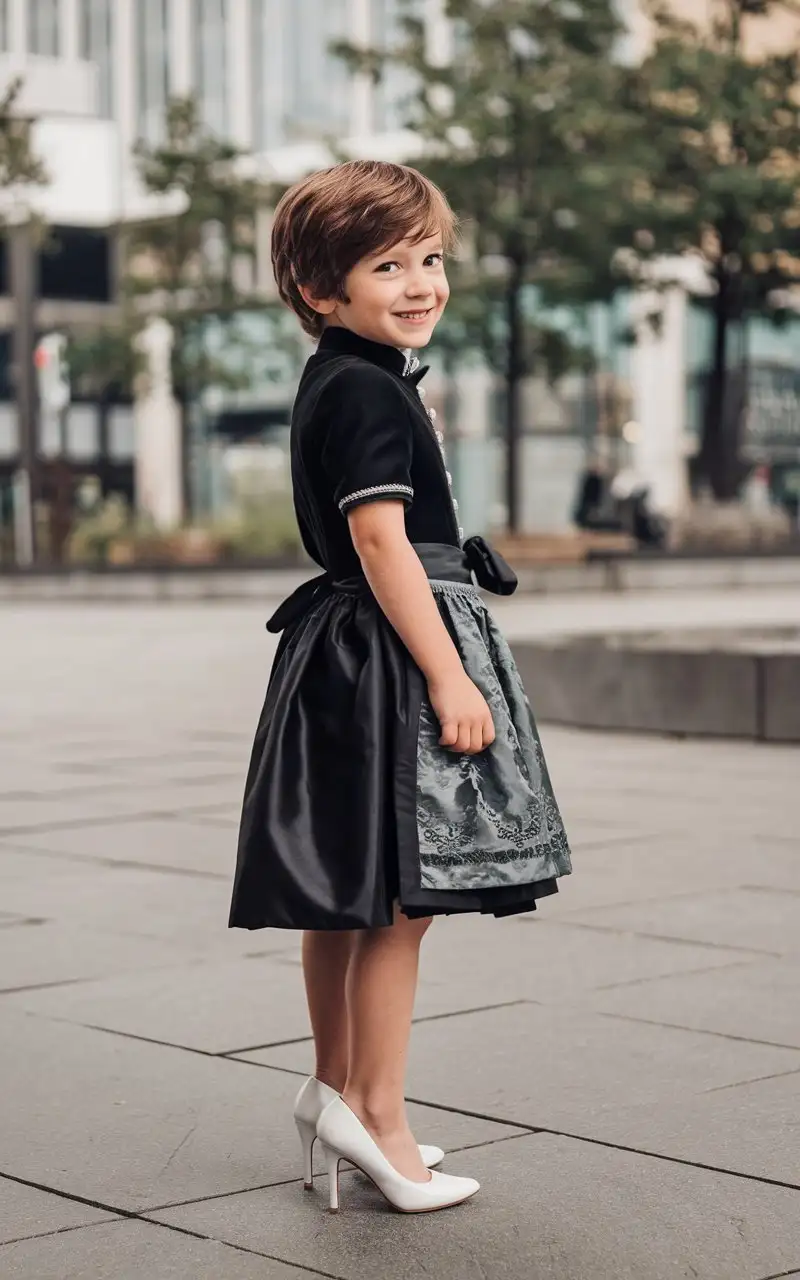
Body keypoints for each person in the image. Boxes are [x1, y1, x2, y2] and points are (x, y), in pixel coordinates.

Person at [228, 160, 572, 1215]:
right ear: (320, 292)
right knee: (397, 903)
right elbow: (381, 541)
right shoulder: (369, 388)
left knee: (349, 888)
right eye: (388, 264)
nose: (421, 281)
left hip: (344, 651)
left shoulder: (343, 375)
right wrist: (449, 673)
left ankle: (335, 1088)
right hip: (387, 651)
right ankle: (377, 1113)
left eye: (429, 258)